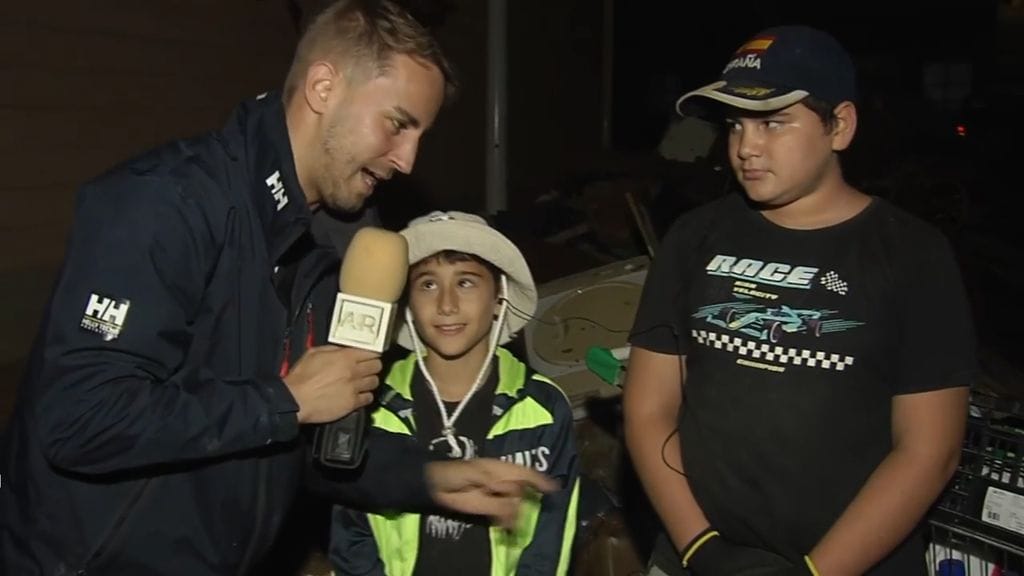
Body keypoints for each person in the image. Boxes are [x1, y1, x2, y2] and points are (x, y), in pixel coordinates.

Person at [0, 2, 554, 575]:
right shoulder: (164, 204)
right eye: (397, 123)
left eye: (419, 136)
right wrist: (283, 400)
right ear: (323, 86)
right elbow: (79, 420)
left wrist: (431, 477)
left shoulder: (331, 247)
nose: (408, 160)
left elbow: (307, 444)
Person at [622, 25, 976, 576]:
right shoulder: (693, 238)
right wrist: (701, 549)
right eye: (736, 124)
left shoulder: (913, 254)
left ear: (840, 126)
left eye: (773, 122)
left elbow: (929, 452)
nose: (746, 147)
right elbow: (648, 410)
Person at [328, 211, 580, 575]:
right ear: (407, 304)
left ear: (499, 298)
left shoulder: (542, 406)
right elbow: (351, 532)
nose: (446, 305)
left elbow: (550, 540)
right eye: (427, 284)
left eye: (466, 283)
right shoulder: (369, 401)